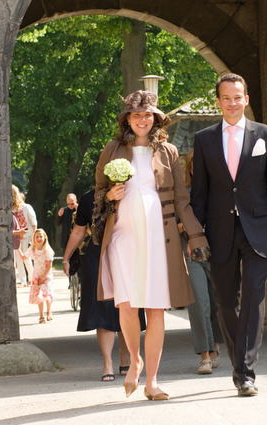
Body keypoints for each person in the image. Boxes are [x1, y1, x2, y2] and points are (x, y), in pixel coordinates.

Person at [95, 90, 209, 401]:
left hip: (160, 238)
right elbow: (98, 192)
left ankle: (153, 382)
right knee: (127, 305)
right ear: (127, 120)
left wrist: (196, 236)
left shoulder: (168, 151)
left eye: (148, 115)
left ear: (156, 119)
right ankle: (135, 361)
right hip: (122, 238)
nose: (142, 119)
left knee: (156, 309)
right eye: (136, 114)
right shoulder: (112, 149)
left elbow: (182, 199)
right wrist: (109, 195)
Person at [191, 73, 267, 397]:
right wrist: (195, 237)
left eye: (237, 97)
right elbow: (199, 195)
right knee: (226, 302)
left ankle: (245, 373)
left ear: (246, 99)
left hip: (259, 231)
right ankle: (242, 364)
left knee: (253, 299)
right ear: (218, 102)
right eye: (226, 98)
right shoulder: (204, 140)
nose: (232, 103)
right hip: (219, 232)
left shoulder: (266, 135)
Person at [62, 189, 146, 381]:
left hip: (126, 251)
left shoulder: (131, 193)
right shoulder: (88, 198)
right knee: (101, 307)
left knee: (126, 305)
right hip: (96, 256)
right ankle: (107, 362)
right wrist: (66, 258)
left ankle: (125, 355)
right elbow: (78, 231)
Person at [179, 150, 223, 375]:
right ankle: (205, 355)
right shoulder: (183, 195)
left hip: (218, 253)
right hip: (192, 253)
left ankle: (214, 344)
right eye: (195, 165)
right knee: (199, 302)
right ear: (190, 169)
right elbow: (172, 223)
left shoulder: (220, 190)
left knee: (215, 304)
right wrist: (185, 227)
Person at [19, 228, 55, 323]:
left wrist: (43, 277)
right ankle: (41, 316)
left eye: (40, 237)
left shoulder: (47, 250)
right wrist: (17, 248)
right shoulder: (32, 249)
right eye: (37, 237)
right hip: (37, 275)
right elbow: (23, 257)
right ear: (34, 239)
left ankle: (49, 312)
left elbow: (49, 265)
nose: (39, 239)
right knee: (39, 296)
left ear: (44, 238)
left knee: (47, 293)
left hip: (46, 275)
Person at [12, 185, 37, 286]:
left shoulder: (27, 207)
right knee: (18, 259)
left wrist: (34, 236)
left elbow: (33, 222)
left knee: (27, 258)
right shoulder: (13, 209)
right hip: (17, 237)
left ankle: (31, 279)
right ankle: (23, 281)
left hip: (27, 236)